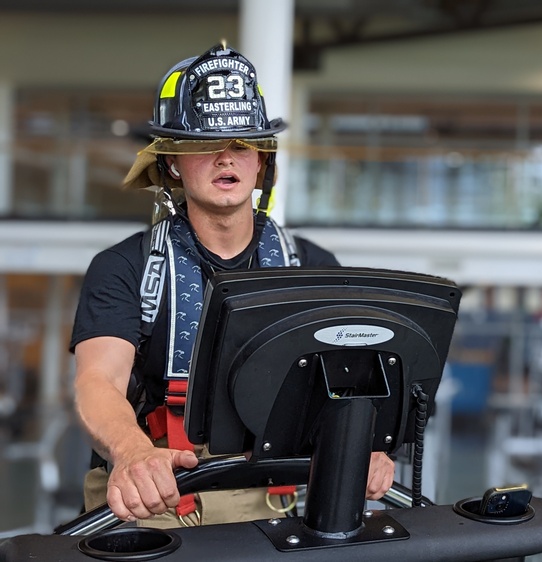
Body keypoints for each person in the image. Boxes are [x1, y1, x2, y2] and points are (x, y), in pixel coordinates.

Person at [70, 43, 395, 527]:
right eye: (205, 146)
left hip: (274, 492)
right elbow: (98, 381)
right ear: (173, 163)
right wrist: (132, 452)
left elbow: (345, 380)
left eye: (243, 145)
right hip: (159, 487)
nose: (227, 159)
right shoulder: (126, 269)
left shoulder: (309, 265)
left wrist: (362, 444)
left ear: (261, 163)